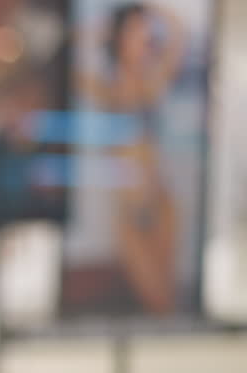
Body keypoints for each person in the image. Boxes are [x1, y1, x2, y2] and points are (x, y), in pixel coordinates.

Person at [76, 1, 186, 315]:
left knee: (168, 297)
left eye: (145, 32)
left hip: (159, 196)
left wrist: (150, 9)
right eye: (135, 32)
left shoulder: (153, 81)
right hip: (129, 207)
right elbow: (70, 67)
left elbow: (178, 34)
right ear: (119, 37)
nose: (142, 39)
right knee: (154, 298)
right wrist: (97, 31)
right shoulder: (108, 88)